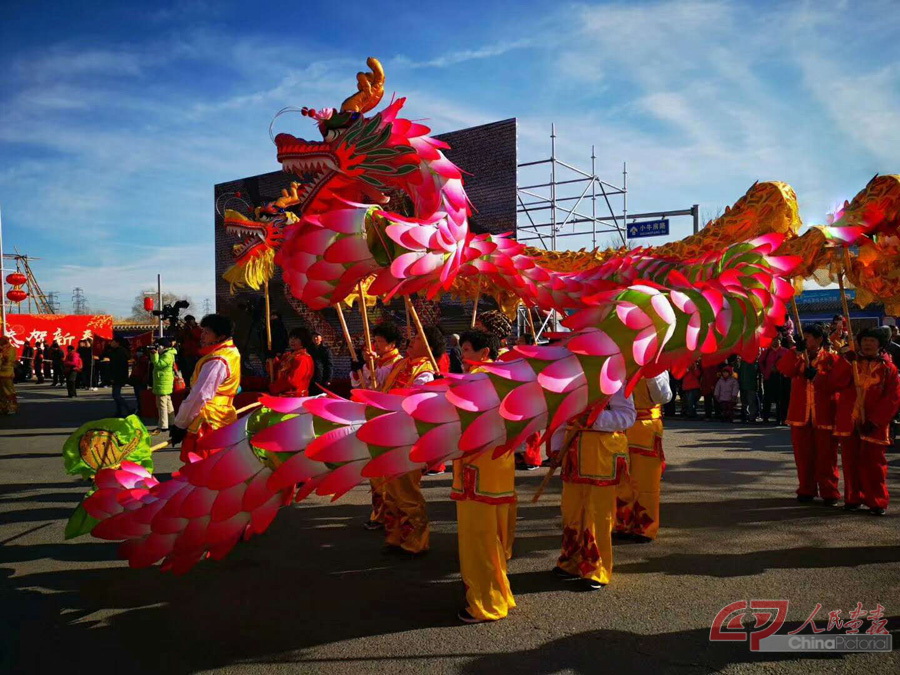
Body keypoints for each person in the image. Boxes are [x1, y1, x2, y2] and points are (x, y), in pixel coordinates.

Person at [453, 329, 516, 623]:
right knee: (487, 536)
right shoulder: (499, 379)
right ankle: (495, 594)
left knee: (480, 537)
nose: (462, 356)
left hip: (482, 468)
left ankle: (486, 602)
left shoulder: (488, 381)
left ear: (484, 354)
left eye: (467, 350)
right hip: (488, 468)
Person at [553, 385, 636, 590]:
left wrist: (593, 419)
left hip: (602, 454)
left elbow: (627, 415)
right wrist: (556, 446)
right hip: (573, 453)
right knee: (571, 509)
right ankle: (571, 560)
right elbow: (561, 415)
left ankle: (596, 567)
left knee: (599, 513)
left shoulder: (615, 379)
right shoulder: (570, 377)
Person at [379, 325, 446, 554]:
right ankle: (396, 534)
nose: (410, 340)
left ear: (429, 347)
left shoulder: (426, 371)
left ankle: (416, 539)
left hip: (408, 435)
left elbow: (417, 401)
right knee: (391, 489)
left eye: (417, 338)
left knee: (406, 489)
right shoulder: (401, 364)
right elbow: (379, 382)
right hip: (389, 431)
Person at [830, 327, 900, 515]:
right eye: (865, 340)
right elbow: (836, 382)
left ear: (880, 344)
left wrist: (876, 420)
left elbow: (893, 398)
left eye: (872, 341)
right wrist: (846, 362)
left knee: (874, 464)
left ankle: (877, 501)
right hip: (849, 420)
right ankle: (853, 498)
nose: (868, 344)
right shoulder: (850, 362)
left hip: (874, 424)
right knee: (850, 462)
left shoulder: (889, 368)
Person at [777, 324, 841, 504]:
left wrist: (818, 378)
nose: (805, 341)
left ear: (820, 339)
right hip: (800, 414)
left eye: (808, 337)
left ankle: (830, 491)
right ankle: (806, 488)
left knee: (827, 456)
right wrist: (796, 352)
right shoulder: (798, 356)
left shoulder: (831, 359)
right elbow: (785, 369)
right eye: (803, 337)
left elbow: (838, 383)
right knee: (803, 456)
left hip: (824, 414)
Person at [352, 322, 405, 531]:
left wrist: (373, 368)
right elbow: (361, 384)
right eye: (375, 341)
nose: (376, 344)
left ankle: (389, 515)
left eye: (380, 341)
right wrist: (364, 366)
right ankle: (379, 513)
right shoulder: (376, 361)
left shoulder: (398, 363)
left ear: (392, 344)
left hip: (388, 420)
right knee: (374, 471)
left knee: (387, 472)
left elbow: (382, 386)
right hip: (372, 417)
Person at [169, 314, 241, 463]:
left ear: (220, 336)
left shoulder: (217, 360)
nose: (201, 336)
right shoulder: (232, 352)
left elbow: (200, 395)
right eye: (202, 331)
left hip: (207, 421)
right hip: (223, 416)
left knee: (202, 469)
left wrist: (180, 424)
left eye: (207, 332)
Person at [615, 372, 672, 542]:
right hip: (619, 426)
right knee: (621, 480)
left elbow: (664, 396)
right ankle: (621, 523)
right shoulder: (620, 363)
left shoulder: (656, 368)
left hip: (645, 428)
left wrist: (650, 375)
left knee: (646, 481)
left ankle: (645, 527)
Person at [270, 327, 315, 397]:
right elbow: (275, 370)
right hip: (281, 395)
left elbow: (292, 381)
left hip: (295, 397)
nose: (292, 341)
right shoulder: (287, 356)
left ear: (303, 341)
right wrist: (272, 357)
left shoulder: (303, 358)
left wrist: (274, 387)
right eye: (291, 338)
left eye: (296, 339)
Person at [759, 337, 788, 423]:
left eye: (777, 340)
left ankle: (781, 418)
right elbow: (761, 362)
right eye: (774, 340)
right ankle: (765, 418)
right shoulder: (767, 352)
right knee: (767, 398)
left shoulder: (785, 351)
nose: (775, 342)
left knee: (781, 399)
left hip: (781, 377)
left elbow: (789, 363)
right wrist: (765, 372)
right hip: (769, 377)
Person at [151, 339, 177, 431]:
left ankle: (163, 425)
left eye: (158, 346)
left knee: (161, 404)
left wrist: (155, 355)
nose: (157, 348)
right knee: (168, 403)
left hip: (163, 382)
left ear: (163, 346)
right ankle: (171, 422)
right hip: (163, 382)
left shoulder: (167, 355)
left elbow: (158, 364)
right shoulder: (167, 354)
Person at [108, 335, 133, 417]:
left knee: (116, 395)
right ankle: (119, 411)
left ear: (117, 343)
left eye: (113, 342)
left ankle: (128, 409)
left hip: (119, 376)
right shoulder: (116, 351)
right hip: (118, 375)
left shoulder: (120, 352)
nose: (111, 343)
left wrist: (113, 377)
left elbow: (117, 366)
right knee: (115, 395)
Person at [737, 352, 760, 423]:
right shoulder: (741, 363)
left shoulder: (754, 363)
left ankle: (752, 416)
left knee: (751, 401)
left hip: (751, 385)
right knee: (744, 401)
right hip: (742, 384)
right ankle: (745, 415)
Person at [179, 315, 203, 381]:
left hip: (196, 353)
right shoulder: (185, 329)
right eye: (187, 321)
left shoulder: (198, 329)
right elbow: (181, 338)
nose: (188, 323)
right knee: (187, 372)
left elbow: (199, 338)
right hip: (186, 353)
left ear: (193, 320)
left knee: (195, 371)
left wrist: (191, 330)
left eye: (189, 321)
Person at [0, 336, 18, 414]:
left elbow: (6, 360)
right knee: (2, 392)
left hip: (6, 373)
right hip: (4, 372)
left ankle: (11, 407)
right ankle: (3, 407)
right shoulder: (6, 349)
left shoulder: (9, 349)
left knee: (8, 391)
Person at [130, 348, 151, 413]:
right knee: (138, 395)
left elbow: (146, 371)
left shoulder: (144, 359)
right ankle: (140, 408)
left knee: (140, 395)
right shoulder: (136, 359)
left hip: (141, 379)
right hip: (136, 378)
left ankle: (142, 409)